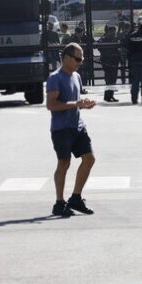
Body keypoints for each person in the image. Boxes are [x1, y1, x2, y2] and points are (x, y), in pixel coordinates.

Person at [46, 42, 97, 217]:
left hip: (78, 126)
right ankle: (59, 203)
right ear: (66, 57)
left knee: (89, 159)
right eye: (77, 59)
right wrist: (76, 104)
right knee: (64, 163)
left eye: (81, 59)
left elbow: (75, 99)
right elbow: (51, 104)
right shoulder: (55, 78)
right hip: (61, 129)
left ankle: (75, 198)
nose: (79, 62)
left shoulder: (76, 76)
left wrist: (84, 104)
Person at [96, 25, 120, 102]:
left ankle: (110, 95)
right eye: (112, 32)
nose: (114, 33)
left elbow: (119, 48)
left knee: (113, 79)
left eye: (114, 32)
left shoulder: (115, 39)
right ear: (109, 31)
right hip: (107, 61)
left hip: (114, 61)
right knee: (109, 79)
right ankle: (107, 96)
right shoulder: (103, 39)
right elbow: (99, 46)